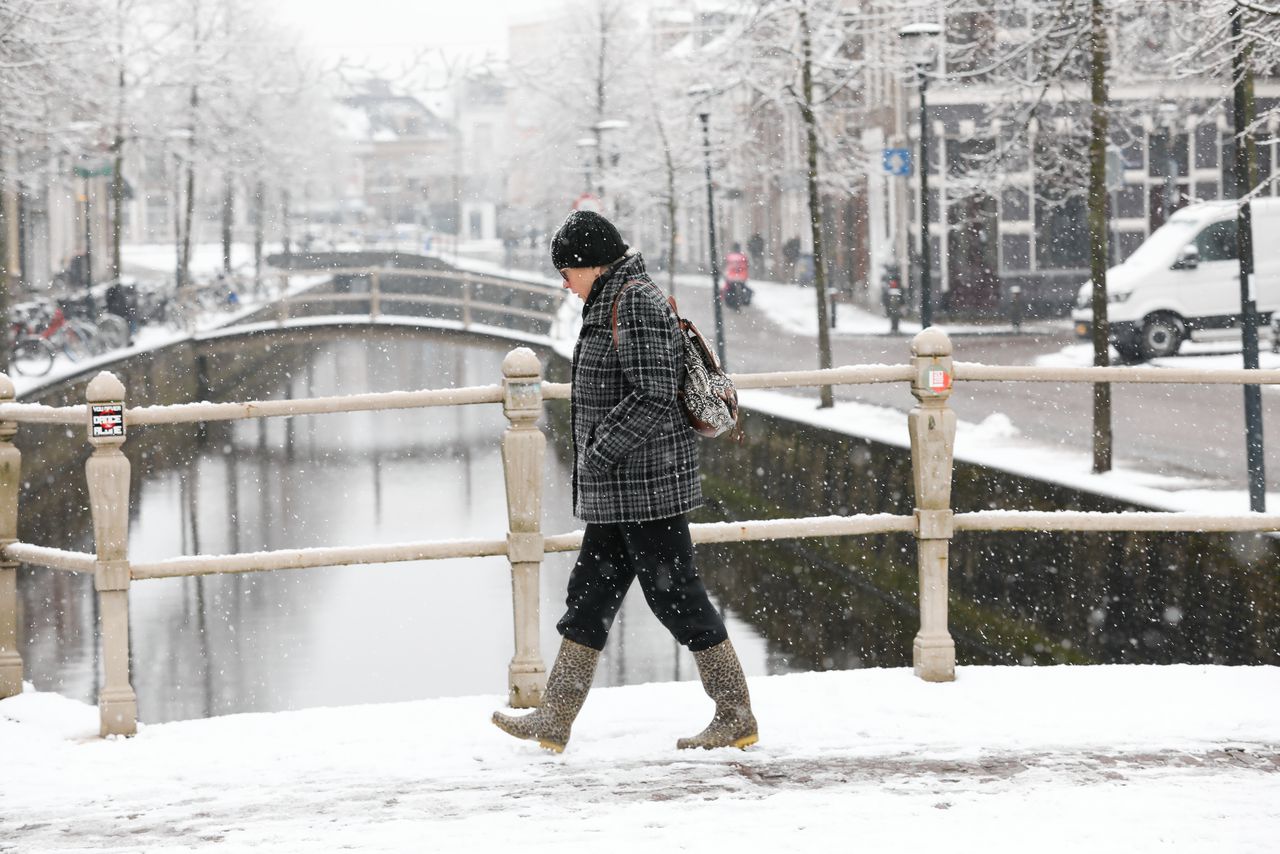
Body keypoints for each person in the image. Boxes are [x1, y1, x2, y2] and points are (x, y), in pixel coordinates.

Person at [492, 210, 758, 753]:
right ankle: (554, 720)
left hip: (644, 484)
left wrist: (597, 450)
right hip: (623, 486)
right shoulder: (610, 297)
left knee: (676, 595)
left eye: (566, 269)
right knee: (588, 597)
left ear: (591, 264)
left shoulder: (632, 300)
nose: (562, 280)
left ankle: (735, 713)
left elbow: (655, 392)